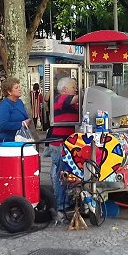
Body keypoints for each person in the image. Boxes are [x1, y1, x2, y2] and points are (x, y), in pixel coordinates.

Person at [48, 77, 79, 218]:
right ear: (65, 89)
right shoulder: (60, 99)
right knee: (61, 174)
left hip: (68, 143)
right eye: (74, 87)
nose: (76, 89)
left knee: (66, 173)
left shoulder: (71, 103)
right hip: (59, 143)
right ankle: (60, 205)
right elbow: (74, 99)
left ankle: (65, 202)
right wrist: (88, 93)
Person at [0, 77, 30, 146]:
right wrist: (22, 124)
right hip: (7, 141)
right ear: (9, 92)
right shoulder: (4, 105)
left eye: (19, 87)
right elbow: (3, 125)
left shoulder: (20, 102)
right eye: (16, 88)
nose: (20, 89)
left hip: (21, 139)